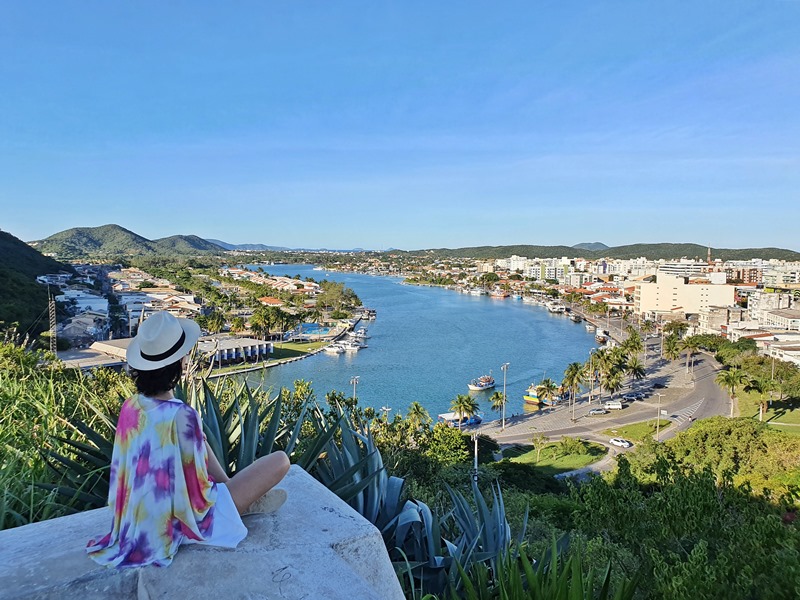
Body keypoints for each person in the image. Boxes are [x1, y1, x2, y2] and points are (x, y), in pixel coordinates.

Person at [87, 311, 290, 568]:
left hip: (135, 522)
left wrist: (202, 446)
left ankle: (238, 497)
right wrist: (228, 493)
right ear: (179, 362)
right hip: (180, 522)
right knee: (281, 460)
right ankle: (241, 503)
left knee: (214, 462)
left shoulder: (131, 407)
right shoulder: (182, 414)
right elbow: (199, 487)